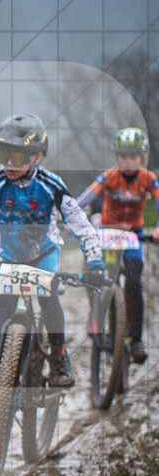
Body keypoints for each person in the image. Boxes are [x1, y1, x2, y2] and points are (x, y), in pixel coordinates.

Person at [0, 114, 104, 430]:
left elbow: (80, 223)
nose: (8, 162)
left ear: (36, 156)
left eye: (17, 155)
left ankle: (59, 356)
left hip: (44, 257)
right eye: (1, 154)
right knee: (2, 323)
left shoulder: (51, 185)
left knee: (48, 299)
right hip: (8, 260)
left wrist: (96, 262)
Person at [75, 127, 159, 364]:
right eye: (123, 156)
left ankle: (136, 339)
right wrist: (72, 215)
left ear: (141, 157)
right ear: (117, 157)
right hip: (108, 234)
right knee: (95, 271)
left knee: (133, 281)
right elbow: (86, 198)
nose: (127, 161)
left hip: (133, 236)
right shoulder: (108, 176)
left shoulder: (148, 178)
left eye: (132, 156)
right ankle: (95, 314)